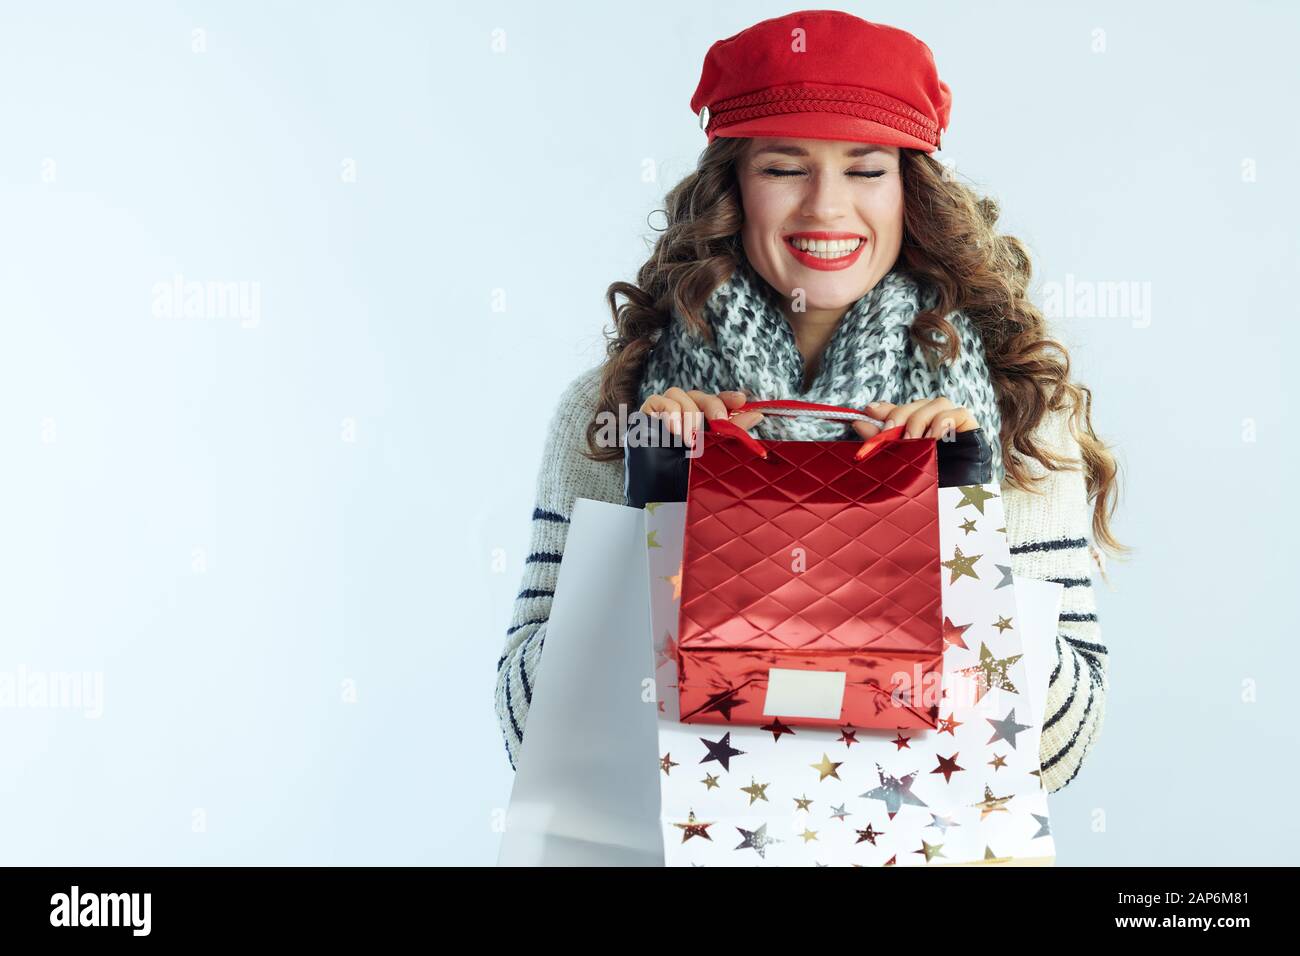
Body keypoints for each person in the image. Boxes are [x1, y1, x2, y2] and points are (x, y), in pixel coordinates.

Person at [495, 10, 1127, 793]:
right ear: (732, 187)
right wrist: (658, 519)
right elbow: (532, 737)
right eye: (784, 168)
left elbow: (1056, 754)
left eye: (866, 170)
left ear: (911, 193)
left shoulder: (1020, 406)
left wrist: (960, 522)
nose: (826, 208)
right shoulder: (611, 409)